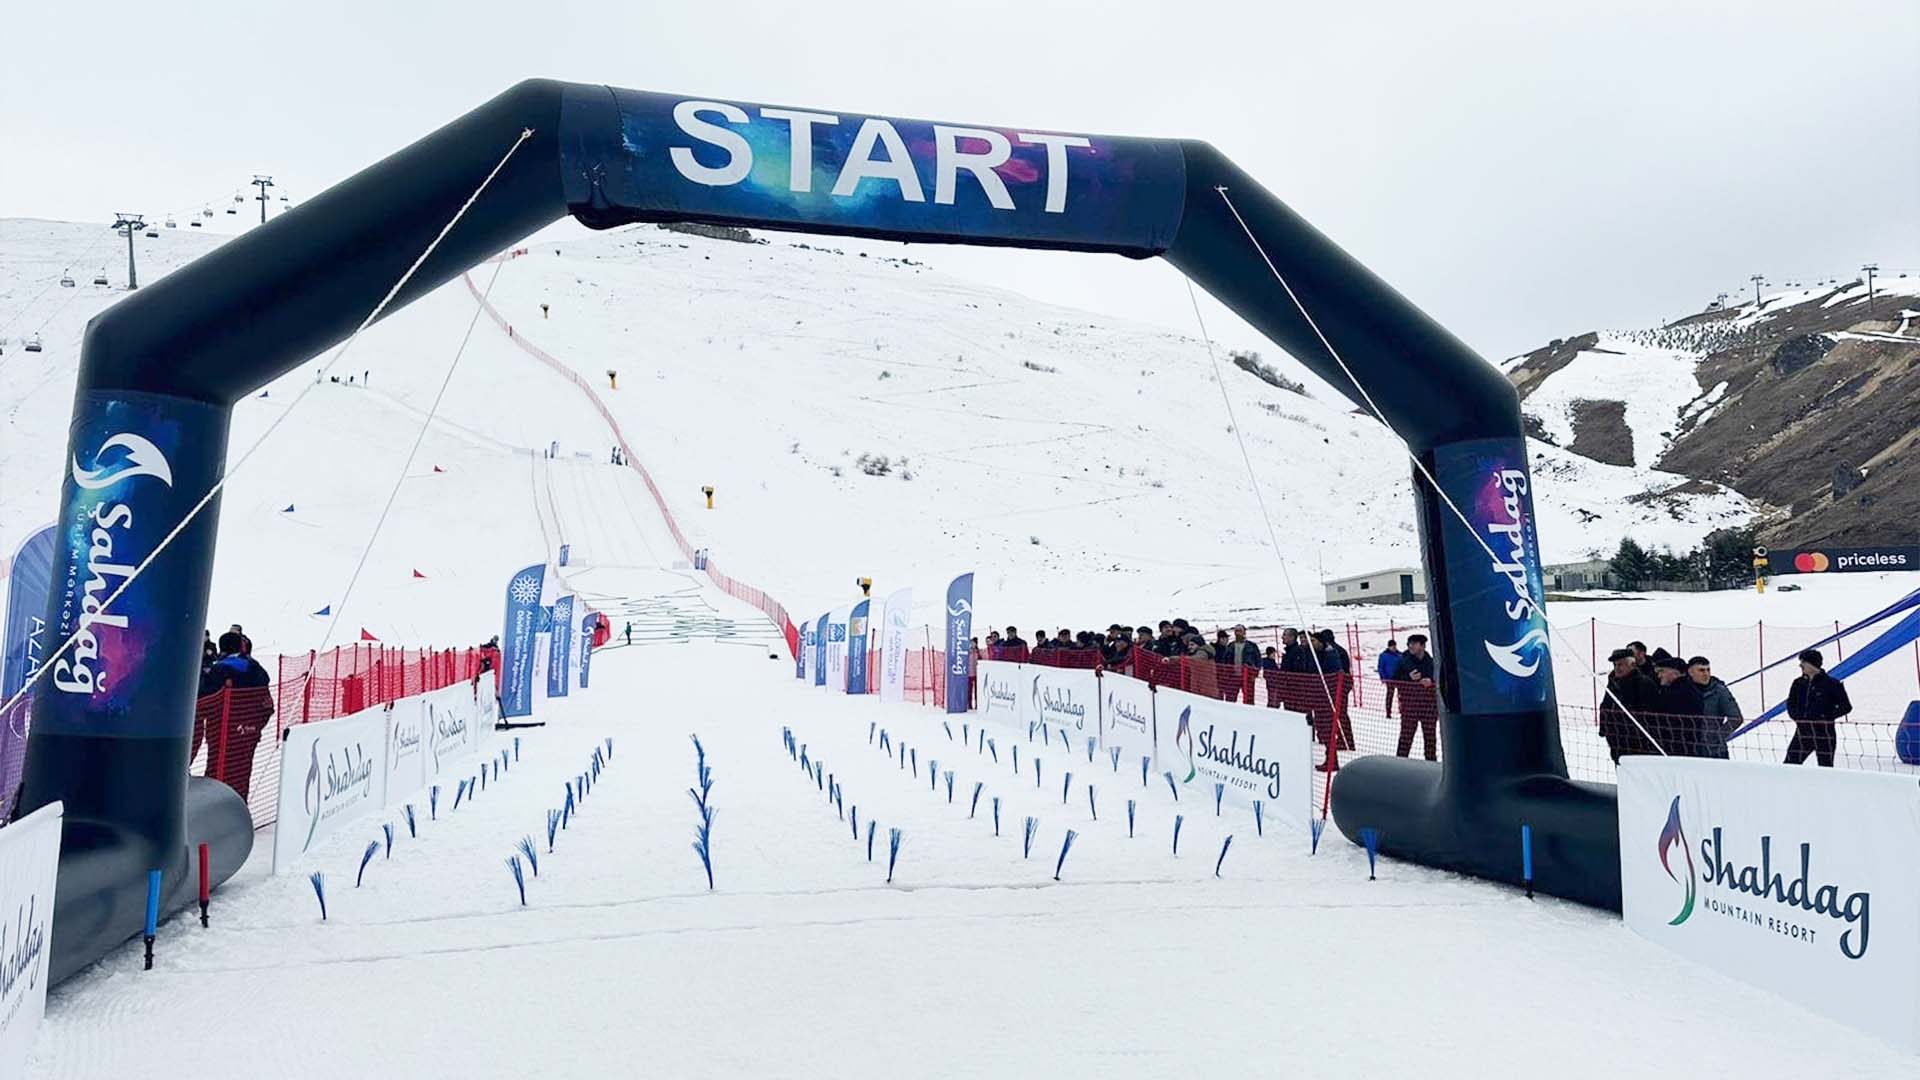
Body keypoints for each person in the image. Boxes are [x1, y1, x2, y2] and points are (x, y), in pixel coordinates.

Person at [194, 631, 273, 799]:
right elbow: (267, 707)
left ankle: (216, 812)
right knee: (243, 773)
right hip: (249, 733)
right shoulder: (257, 669)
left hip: (223, 733)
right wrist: (254, 726)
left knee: (218, 771)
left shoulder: (221, 670)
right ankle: (239, 810)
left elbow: (204, 700)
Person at [1785, 649, 1850, 767]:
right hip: (1802, 732)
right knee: (1790, 765)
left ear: (1812, 664)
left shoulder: (1832, 684)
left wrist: (1825, 716)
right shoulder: (1798, 683)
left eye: (1803, 662)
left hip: (1824, 734)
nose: (1800, 665)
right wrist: (1798, 717)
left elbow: (1846, 707)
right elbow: (1790, 704)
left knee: (1825, 768)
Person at [1598, 647, 1661, 762]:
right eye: (1615, 665)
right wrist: (1604, 728)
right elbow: (1606, 705)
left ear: (1632, 664)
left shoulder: (1644, 684)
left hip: (1639, 744)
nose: (1617, 668)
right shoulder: (1613, 683)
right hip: (1616, 740)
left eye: (1620, 664)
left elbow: (1650, 714)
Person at [1392, 634, 1439, 760]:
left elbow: (1441, 681)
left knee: (1430, 741)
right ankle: (1399, 766)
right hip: (1410, 707)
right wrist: (1408, 678)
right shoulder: (1403, 661)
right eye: (1409, 643)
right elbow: (1392, 681)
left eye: (1414, 643)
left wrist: (1432, 682)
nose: (1410, 646)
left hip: (1429, 707)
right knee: (1405, 740)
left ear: (1423, 646)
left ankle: (1431, 766)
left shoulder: (1432, 662)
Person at [1649, 657, 1706, 757]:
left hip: (1675, 748)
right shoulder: (1691, 689)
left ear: (1674, 672)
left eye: (1662, 671)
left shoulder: (1675, 693)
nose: (1659, 675)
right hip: (1690, 747)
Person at [1688, 656, 1741, 759]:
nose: (1706, 674)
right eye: (1701, 670)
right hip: (1690, 749)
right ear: (1690, 672)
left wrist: (1717, 736)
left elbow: (1736, 718)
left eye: (1708, 670)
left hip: (1715, 751)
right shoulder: (1685, 689)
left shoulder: (1719, 691)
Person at [1376, 638, 1402, 718]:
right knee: (1390, 696)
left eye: (1394, 646)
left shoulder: (1400, 655)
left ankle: (1402, 711)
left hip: (1399, 678)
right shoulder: (1383, 656)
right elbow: (1380, 667)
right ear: (1389, 647)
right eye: (1392, 646)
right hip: (1389, 678)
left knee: (1401, 696)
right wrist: (1383, 677)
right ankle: (1388, 712)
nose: (1393, 648)